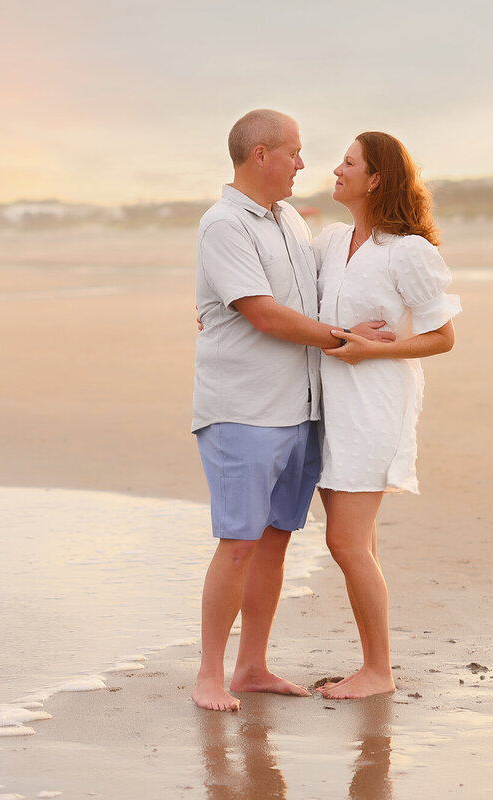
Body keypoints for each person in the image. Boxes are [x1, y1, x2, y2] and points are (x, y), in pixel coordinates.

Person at [191, 110, 394, 712]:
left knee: (275, 540)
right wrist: (341, 338)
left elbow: (304, 295)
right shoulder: (224, 224)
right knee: (238, 542)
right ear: (261, 155)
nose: (304, 164)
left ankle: (252, 666)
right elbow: (264, 313)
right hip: (243, 411)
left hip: (300, 409)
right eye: (295, 152)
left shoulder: (286, 221)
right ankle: (209, 673)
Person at [311, 131, 461, 699]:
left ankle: (378, 671)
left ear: (375, 179)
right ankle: (374, 665)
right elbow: (279, 292)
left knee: (346, 543)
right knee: (359, 543)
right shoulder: (329, 242)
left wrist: (376, 349)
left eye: (349, 163)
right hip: (330, 406)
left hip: (375, 408)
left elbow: (442, 337)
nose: (337, 169)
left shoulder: (409, 252)